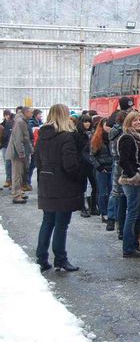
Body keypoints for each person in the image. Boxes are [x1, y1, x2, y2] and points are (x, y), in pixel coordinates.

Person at [34, 104, 81, 272]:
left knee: (47, 222)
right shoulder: (66, 137)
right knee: (61, 224)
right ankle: (60, 258)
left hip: (47, 183)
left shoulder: (42, 136)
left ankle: (41, 258)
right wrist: (78, 176)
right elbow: (70, 165)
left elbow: (37, 161)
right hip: (63, 186)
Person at [118, 111, 140, 258]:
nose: (138, 122)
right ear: (128, 123)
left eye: (139, 120)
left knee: (135, 213)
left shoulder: (137, 137)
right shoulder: (127, 138)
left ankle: (132, 245)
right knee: (132, 214)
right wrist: (135, 176)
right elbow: (124, 161)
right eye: (134, 120)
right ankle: (128, 248)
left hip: (137, 181)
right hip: (132, 182)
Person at [108, 110, 129, 234]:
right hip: (122, 166)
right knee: (121, 197)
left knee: (117, 194)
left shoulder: (113, 132)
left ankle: (115, 221)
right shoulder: (123, 134)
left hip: (116, 165)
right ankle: (120, 226)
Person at [89, 118, 113, 223]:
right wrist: (99, 167)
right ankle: (104, 213)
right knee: (103, 192)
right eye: (106, 125)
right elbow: (92, 156)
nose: (108, 127)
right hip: (101, 169)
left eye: (110, 125)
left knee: (112, 192)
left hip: (112, 167)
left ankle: (111, 212)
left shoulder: (114, 138)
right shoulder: (97, 138)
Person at [7, 106, 34, 204]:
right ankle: (16, 195)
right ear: (26, 112)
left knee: (21, 172)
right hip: (17, 152)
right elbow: (18, 139)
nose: (32, 114)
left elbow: (26, 138)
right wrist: (21, 153)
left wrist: (30, 149)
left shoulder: (22, 121)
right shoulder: (20, 122)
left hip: (20, 151)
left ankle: (19, 192)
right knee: (17, 174)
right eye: (31, 112)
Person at [76, 114, 98, 217]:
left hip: (91, 163)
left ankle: (93, 207)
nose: (88, 123)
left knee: (95, 185)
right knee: (82, 187)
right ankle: (82, 208)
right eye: (85, 121)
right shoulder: (77, 134)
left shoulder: (92, 133)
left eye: (89, 121)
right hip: (81, 164)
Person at [26, 109, 43, 189]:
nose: (41, 116)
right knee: (32, 165)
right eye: (40, 114)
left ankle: (38, 183)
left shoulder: (40, 122)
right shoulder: (31, 123)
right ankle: (27, 181)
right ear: (36, 115)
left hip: (38, 146)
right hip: (34, 146)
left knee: (36, 165)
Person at [1, 109, 14, 189]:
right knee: (7, 164)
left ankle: (11, 180)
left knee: (12, 164)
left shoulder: (13, 123)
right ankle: (8, 179)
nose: (7, 116)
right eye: (6, 114)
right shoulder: (2, 125)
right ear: (4, 115)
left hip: (10, 145)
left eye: (8, 114)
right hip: (5, 146)